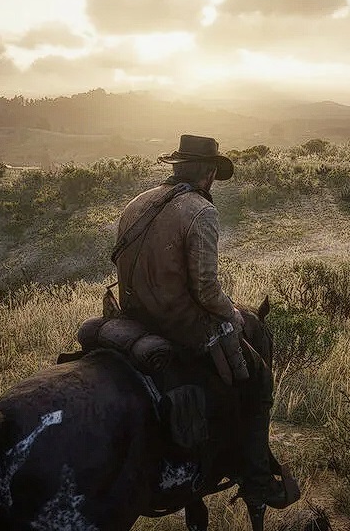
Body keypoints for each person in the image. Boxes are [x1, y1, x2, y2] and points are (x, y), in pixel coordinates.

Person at [112, 134, 289, 510]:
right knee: (259, 380)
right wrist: (232, 313)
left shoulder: (137, 203)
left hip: (131, 318)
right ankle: (258, 480)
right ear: (208, 173)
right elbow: (207, 290)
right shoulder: (201, 211)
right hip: (180, 325)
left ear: (178, 166)